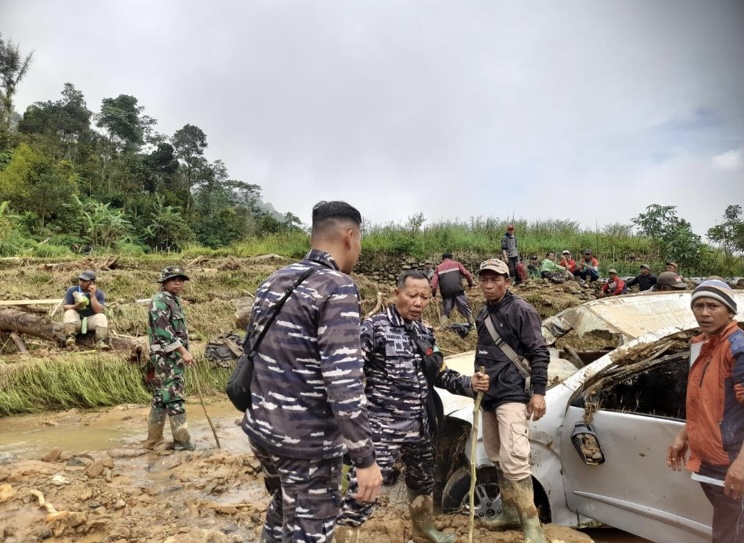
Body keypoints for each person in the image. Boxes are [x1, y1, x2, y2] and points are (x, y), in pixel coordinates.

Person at [241, 201, 382, 543]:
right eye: (359, 240)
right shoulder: (337, 287)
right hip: (307, 444)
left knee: (283, 510)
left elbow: (251, 351)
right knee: (310, 530)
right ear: (350, 236)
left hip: (262, 431)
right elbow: (344, 382)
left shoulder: (275, 280)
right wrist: (364, 459)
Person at [336, 270, 490, 543]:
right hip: (382, 427)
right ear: (397, 294)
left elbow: (440, 373)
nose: (418, 302)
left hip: (420, 424)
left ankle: (423, 529)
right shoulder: (374, 328)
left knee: (422, 479)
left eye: (425, 297)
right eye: (412, 296)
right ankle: (345, 535)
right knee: (366, 486)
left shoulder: (425, 333)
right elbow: (348, 375)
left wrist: (470, 383)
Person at [474, 258, 549, 543]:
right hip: (489, 395)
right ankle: (507, 513)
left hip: (513, 394)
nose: (489, 284)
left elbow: (539, 352)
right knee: (497, 456)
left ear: (507, 281)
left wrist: (538, 392)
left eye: (496, 279)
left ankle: (532, 529)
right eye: (485, 279)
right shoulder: (483, 312)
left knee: (516, 458)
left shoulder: (521, 310)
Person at [667, 280, 743, 542]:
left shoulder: (737, 349)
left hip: (730, 462)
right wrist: (683, 435)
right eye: (698, 306)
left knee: (729, 534)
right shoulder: (703, 344)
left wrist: (741, 464)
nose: (704, 312)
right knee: (725, 529)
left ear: (730, 311)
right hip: (709, 459)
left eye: (713, 305)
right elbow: (704, 402)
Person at [145, 266, 195, 451]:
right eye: (174, 279)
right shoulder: (160, 301)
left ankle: (153, 440)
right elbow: (164, 333)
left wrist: (183, 352)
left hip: (171, 356)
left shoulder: (173, 300)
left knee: (161, 395)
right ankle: (182, 442)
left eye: (181, 280)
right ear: (164, 282)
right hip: (166, 357)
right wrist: (184, 352)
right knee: (174, 396)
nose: (178, 282)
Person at [62, 270, 109, 350]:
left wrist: (93, 296)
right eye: (80, 280)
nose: (81, 282)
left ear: (92, 282)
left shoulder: (99, 293)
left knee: (101, 317)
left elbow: (98, 311)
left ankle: (100, 342)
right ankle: (70, 339)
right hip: (77, 320)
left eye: (85, 281)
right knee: (69, 312)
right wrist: (76, 306)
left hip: (90, 320)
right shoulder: (72, 290)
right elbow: (65, 307)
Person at [430, 252, 474, 325]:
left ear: (442, 259)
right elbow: (467, 275)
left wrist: (433, 294)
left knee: (446, 310)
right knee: (465, 307)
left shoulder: (438, 267)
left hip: (446, 292)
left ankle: (443, 327)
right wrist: (470, 284)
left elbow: (434, 284)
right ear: (451, 258)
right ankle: (472, 325)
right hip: (458, 290)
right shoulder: (457, 264)